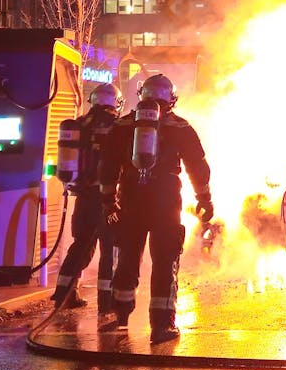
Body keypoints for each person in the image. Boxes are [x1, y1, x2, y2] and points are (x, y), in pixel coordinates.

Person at [99, 73, 212, 344]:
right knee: (165, 262)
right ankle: (162, 326)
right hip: (166, 203)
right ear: (171, 99)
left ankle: (121, 313)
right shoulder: (181, 127)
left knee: (127, 258)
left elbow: (108, 165)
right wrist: (204, 198)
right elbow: (197, 166)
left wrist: (108, 200)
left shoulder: (123, 125)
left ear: (142, 95)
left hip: (130, 201)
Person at [50, 83, 122, 312]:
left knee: (81, 244)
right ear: (115, 103)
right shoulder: (117, 127)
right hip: (108, 199)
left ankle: (64, 293)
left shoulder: (79, 125)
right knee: (109, 249)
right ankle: (107, 302)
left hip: (83, 197)